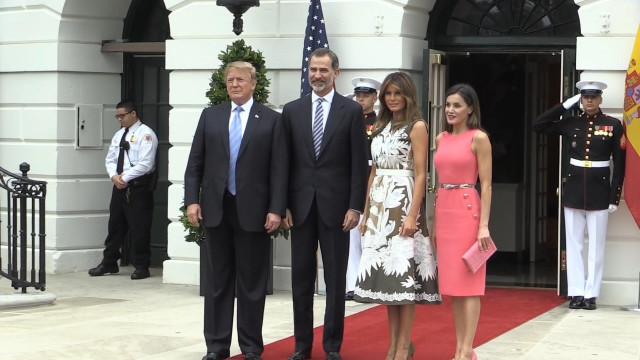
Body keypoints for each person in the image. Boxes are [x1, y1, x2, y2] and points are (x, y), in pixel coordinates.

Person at [184, 61, 287, 360]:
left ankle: (251, 348)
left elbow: (279, 170)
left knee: (252, 284)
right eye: (230, 80)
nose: (234, 84)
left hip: (254, 212)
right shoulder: (211, 116)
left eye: (240, 79)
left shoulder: (270, 120)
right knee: (217, 282)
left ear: (254, 83)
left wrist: (276, 209)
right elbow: (195, 164)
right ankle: (216, 347)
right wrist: (193, 200)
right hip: (216, 209)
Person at [281, 48, 369, 360]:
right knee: (301, 280)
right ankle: (302, 346)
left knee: (335, 280)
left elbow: (359, 164)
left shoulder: (351, 111)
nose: (317, 75)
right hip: (300, 209)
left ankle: (332, 346)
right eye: (313, 69)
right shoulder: (292, 111)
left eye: (323, 70)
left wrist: (355, 206)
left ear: (336, 73)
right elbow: (284, 164)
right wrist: (283, 206)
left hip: (337, 210)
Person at [353, 72, 441, 360]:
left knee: (404, 280)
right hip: (379, 205)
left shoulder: (416, 126)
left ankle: (404, 345)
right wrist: (366, 211)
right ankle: (392, 345)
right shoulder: (380, 126)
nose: (392, 98)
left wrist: (412, 215)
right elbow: (374, 170)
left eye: (397, 94)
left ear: (407, 96)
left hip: (403, 202)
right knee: (389, 284)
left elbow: (420, 173)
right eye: (388, 94)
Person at [533, 80, 625, 311]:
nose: (590, 100)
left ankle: (591, 294)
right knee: (573, 244)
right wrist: (565, 105)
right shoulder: (571, 122)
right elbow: (539, 124)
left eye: (594, 96)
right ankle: (575, 292)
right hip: (574, 190)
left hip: (600, 191)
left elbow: (620, 165)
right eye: (585, 97)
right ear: (581, 99)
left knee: (596, 246)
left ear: (601, 99)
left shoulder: (613, 124)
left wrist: (614, 197)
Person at [433, 84, 492, 360]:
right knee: (452, 287)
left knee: (469, 284)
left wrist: (484, 225)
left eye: (457, 105)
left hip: (468, 210)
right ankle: (460, 347)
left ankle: (467, 348)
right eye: (448, 105)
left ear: (470, 108)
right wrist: (433, 223)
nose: (450, 110)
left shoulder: (478, 137)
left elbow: (488, 185)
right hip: (444, 210)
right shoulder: (439, 138)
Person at [89, 100, 158, 280]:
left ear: (133, 113)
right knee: (115, 226)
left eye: (122, 115)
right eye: (117, 116)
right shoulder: (119, 135)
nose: (120, 119)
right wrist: (114, 177)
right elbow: (110, 159)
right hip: (119, 186)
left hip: (138, 187)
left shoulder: (146, 134)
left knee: (139, 228)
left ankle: (141, 266)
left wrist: (125, 178)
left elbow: (146, 163)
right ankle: (109, 261)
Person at [345, 76, 381, 301]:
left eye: (365, 95)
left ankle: (371, 282)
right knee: (351, 235)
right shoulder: (349, 119)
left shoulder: (379, 122)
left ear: (375, 98)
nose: (360, 99)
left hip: (374, 177)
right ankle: (352, 284)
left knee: (371, 234)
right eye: (358, 95)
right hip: (352, 178)